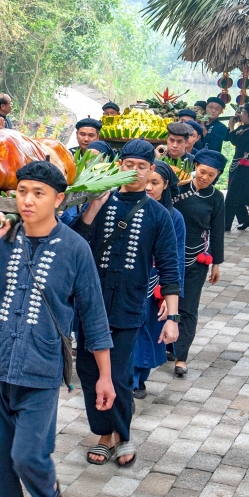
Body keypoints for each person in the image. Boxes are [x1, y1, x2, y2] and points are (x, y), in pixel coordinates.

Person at [0, 161, 114, 497]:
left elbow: (94, 316)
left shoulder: (76, 249)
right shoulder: (2, 237)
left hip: (41, 368)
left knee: (27, 454)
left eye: (37, 193)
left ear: (59, 199)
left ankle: (49, 495)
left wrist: (105, 377)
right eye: (21, 191)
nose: (26, 200)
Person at [73, 140, 181, 467]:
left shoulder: (158, 215)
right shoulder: (99, 201)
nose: (134, 172)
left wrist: (173, 316)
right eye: (128, 164)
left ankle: (122, 434)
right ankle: (103, 434)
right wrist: (92, 207)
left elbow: (169, 266)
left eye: (142, 166)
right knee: (88, 370)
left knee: (118, 375)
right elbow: (75, 241)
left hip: (129, 304)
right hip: (91, 302)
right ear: (118, 166)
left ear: (151, 171)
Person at [131, 161, 185, 399]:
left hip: (157, 285)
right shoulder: (131, 209)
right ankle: (130, 380)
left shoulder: (174, 218)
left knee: (149, 333)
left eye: (156, 182)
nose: (150, 187)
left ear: (165, 185)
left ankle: (141, 376)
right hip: (133, 282)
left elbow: (177, 258)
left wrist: (168, 294)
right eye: (148, 181)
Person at [172, 149, 226, 377]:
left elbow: (217, 230)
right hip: (170, 255)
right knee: (164, 300)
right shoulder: (178, 189)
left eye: (211, 175)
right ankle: (164, 344)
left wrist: (216, 262)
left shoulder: (216, 197)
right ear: (195, 167)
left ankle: (180, 356)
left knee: (188, 307)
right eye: (202, 171)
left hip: (197, 258)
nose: (205, 177)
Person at [224, 103, 249, 231]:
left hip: (242, 166)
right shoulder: (242, 129)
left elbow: (235, 141)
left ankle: (225, 224)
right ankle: (245, 220)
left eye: (244, 113)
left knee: (232, 196)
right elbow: (228, 137)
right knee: (236, 195)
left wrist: (231, 127)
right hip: (236, 164)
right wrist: (231, 126)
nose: (241, 115)